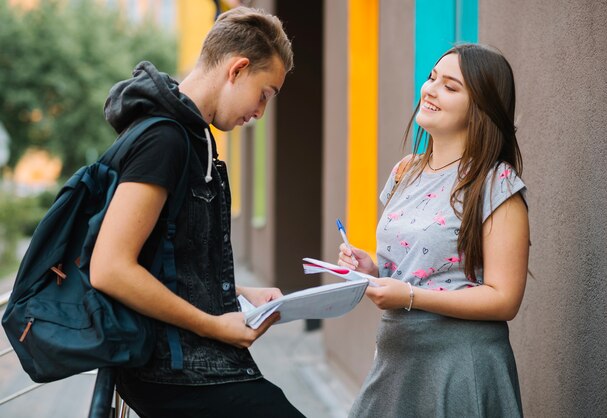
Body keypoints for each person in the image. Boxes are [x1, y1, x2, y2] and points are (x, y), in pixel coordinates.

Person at [90, 7, 304, 418]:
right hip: (172, 369)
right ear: (237, 69)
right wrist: (214, 323)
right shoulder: (165, 139)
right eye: (265, 94)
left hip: (191, 362)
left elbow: (166, 258)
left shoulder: (192, 135)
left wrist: (236, 294)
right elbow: (110, 267)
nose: (260, 113)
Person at [338, 43, 529, 417]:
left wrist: (409, 295)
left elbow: (504, 298)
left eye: (450, 86)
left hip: (460, 368)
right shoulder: (405, 171)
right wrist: (373, 270)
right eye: (432, 78)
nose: (430, 89)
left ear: (481, 108)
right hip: (397, 360)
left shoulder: (496, 184)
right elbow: (425, 266)